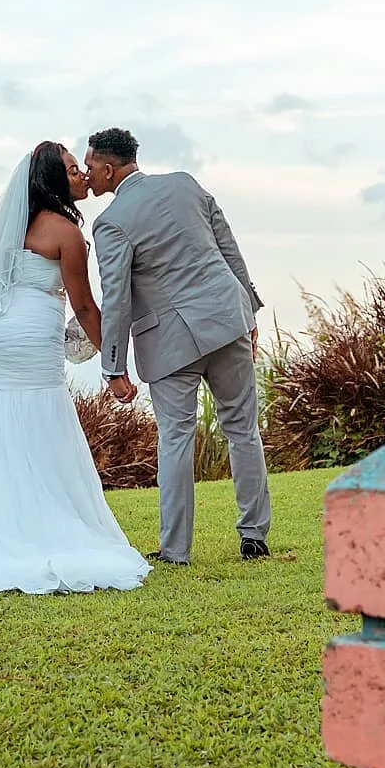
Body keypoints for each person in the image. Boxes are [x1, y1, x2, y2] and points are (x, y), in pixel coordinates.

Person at [0, 142, 151, 594]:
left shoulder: (14, 227)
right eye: (71, 171)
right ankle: (38, 528)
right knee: (42, 420)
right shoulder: (66, 233)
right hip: (32, 338)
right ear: (54, 182)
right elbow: (84, 307)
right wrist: (114, 367)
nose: (82, 175)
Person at [86, 127, 271, 566]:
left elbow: (116, 299)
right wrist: (249, 310)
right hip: (228, 321)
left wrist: (114, 367)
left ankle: (175, 550)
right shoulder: (185, 183)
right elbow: (229, 248)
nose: (87, 174)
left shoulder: (110, 222)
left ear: (109, 169)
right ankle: (254, 536)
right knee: (243, 429)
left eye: (90, 166)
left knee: (175, 439)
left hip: (170, 344)